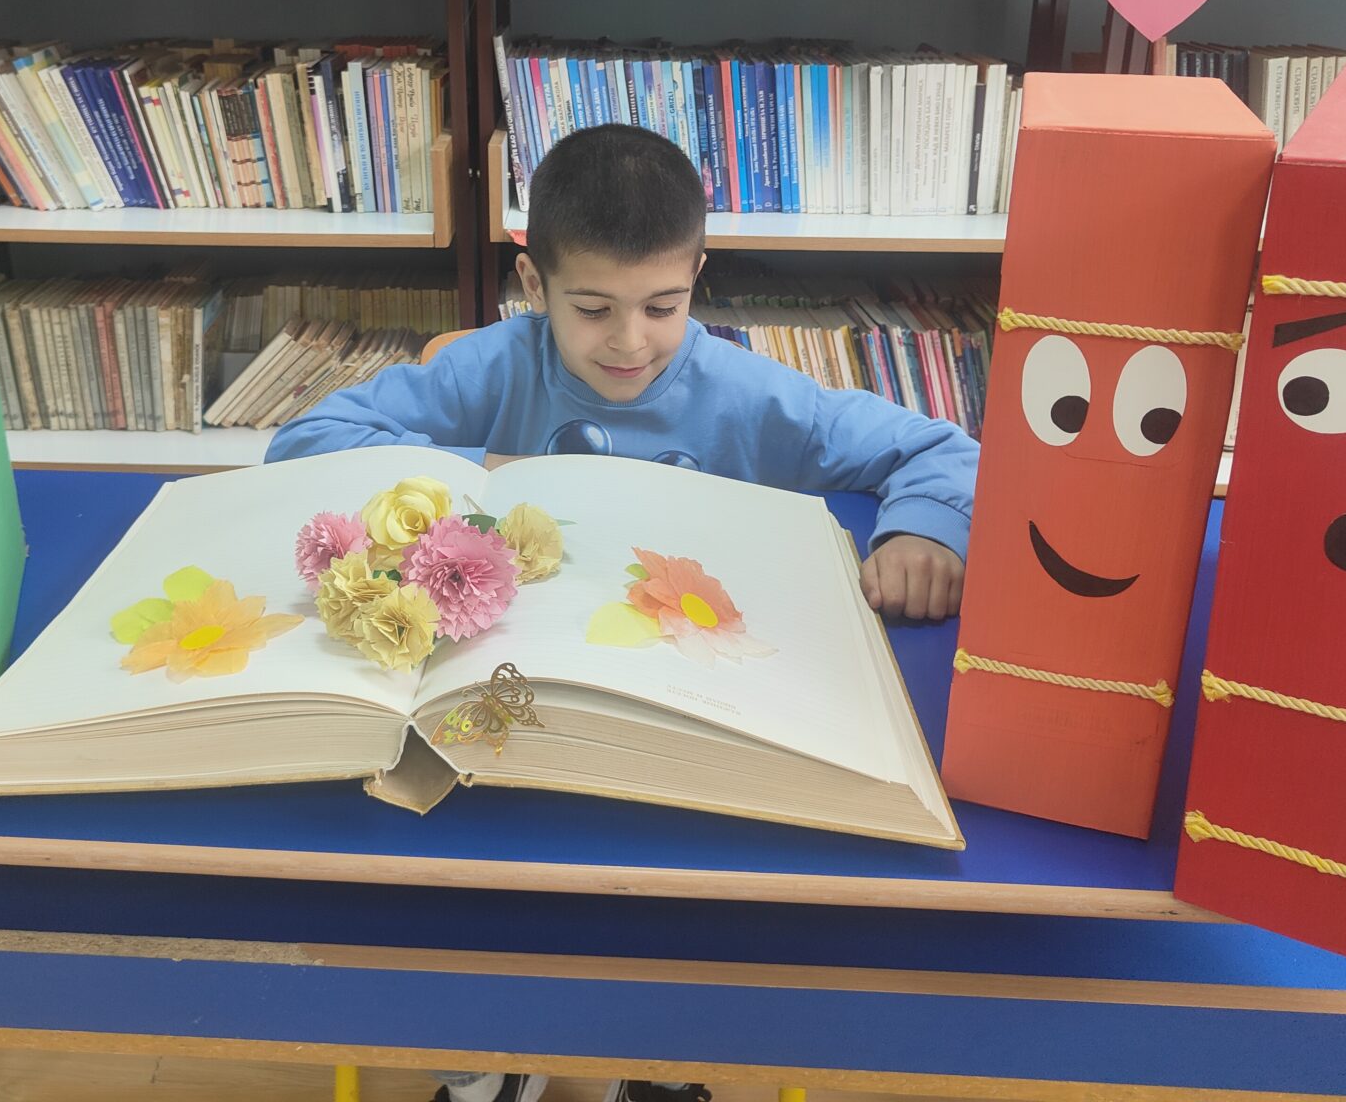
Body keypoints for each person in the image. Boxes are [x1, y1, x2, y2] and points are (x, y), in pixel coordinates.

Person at [266, 124, 980, 1102]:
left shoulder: (745, 393)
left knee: (688, 888)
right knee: (436, 856)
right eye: (593, 308)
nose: (630, 341)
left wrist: (923, 533)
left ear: (697, 277)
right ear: (534, 282)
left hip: (679, 724)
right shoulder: (494, 367)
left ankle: (651, 1057)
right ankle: (484, 1055)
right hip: (501, 714)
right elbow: (308, 440)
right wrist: (479, 470)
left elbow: (937, 448)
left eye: (662, 306)